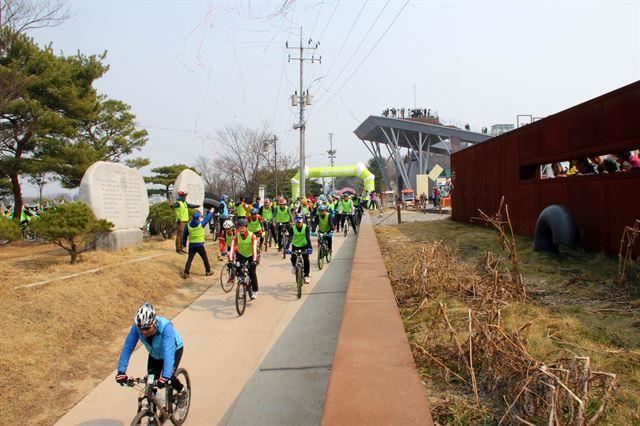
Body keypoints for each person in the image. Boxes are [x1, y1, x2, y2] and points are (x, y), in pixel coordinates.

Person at [116, 303, 188, 407]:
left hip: (173, 350)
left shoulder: (166, 327)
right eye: (141, 329)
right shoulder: (137, 328)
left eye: (147, 328)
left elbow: (168, 351)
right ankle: (154, 413)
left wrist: (165, 376)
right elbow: (128, 348)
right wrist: (121, 371)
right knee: (150, 381)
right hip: (155, 355)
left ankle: (182, 391)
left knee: (170, 378)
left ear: (154, 323)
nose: (144, 332)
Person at [229, 218, 259, 299]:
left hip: (251, 255)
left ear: (246, 227)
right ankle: (242, 282)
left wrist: (254, 261)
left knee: (252, 273)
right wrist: (230, 260)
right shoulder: (236, 237)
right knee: (237, 267)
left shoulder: (252, 236)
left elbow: (254, 248)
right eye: (239, 228)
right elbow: (232, 248)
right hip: (241, 254)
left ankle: (255, 290)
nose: (241, 229)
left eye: (243, 227)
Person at [181, 210, 214, 279]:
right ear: (198, 218)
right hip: (199, 245)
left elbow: (184, 235)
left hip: (191, 245)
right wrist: (211, 212)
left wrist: (183, 244)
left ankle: (186, 272)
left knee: (189, 259)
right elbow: (207, 219)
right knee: (204, 258)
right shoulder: (200, 224)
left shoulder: (188, 225)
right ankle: (208, 271)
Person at [285, 215, 313, 284]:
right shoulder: (292, 228)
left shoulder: (306, 228)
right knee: (293, 257)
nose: (298, 223)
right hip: (295, 245)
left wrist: (310, 248)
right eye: (297, 222)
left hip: (304, 245)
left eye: (300, 222)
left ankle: (306, 276)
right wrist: (286, 247)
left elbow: (307, 238)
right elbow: (290, 238)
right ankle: (294, 266)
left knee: (306, 260)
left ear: (302, 221)